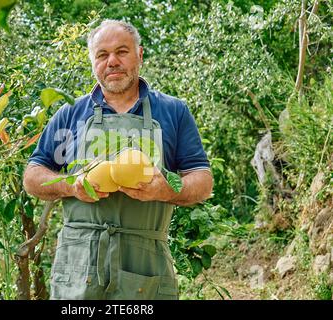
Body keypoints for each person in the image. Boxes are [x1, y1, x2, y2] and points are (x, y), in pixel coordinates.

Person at [23, 19, 213, 300]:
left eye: (121, 51)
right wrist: (71, 185)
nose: (112, 61)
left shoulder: (173, 112)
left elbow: (203, 180)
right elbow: (33, 176)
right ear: (93, 63)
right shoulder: (70, 114)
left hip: (145, 262)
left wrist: (166, 189)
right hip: (79, 262)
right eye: (102, 55)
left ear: (140, 55)